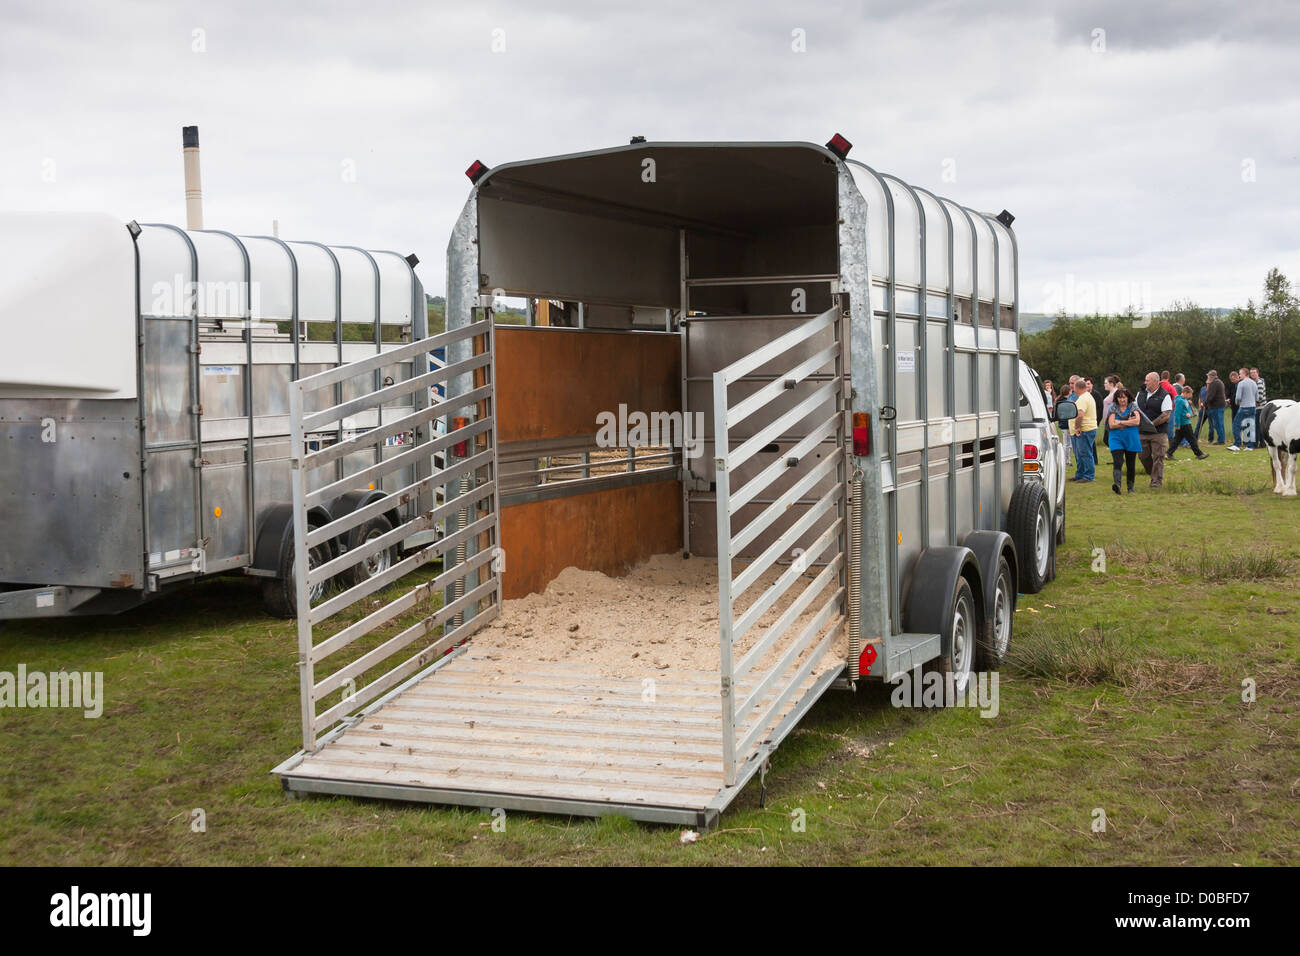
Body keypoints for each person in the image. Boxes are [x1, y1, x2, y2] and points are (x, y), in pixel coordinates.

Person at [1136, 371, 1173, 489]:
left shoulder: (1165, 395)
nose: (1145, 382)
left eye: (1148, 380)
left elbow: (1166, 414)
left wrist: (1152, 424)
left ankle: (1156, 482)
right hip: (1142, 432)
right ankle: (1153, 473)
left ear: (1156, 381)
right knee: (1142, 456)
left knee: (1158, 456)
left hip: (1159, 432)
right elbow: (1135, 409)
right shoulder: (1140, 394)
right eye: (1145, 380)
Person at [1107, 388, 1142, 494]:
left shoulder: (1133, 406)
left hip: (1131, 438)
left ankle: (1130, 488)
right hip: (1116, 439)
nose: (1122, 400)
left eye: (1124, 397)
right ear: (1116, 398)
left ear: (1128, 397)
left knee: (1131, 464)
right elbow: (1111, 425)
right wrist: (1127, 422)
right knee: (1117, 461)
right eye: (1120, 397)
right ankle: (1117, 485)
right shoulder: (1113, 407)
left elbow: (1137, 421)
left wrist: (1120, 422)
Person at [1167, 386, 1210, 461]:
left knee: (1177, 440)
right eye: (1190, 394)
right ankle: (1199, 454)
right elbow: (1177, 413)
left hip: (1186, 422)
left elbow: (1188, 410)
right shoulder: (1180, 401)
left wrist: (1189, 414)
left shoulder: (1185, 400)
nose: (1191, 396)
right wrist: (1177, 425)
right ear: (1185, 393)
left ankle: (1168, 454)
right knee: (1192, 439)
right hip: (1184, 423)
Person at [1070, 376, 1098, 482]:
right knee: (1080, 453)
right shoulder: (1087, 396)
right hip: (1088, 428)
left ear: (1076, 388)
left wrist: (1077, 427)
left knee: (1085, 453)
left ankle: (1088, 476)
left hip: (1086, 429)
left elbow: (1080, 415)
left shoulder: (1082, 399)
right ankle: (1080, 474)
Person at [1231, 367, 1258, 450]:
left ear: (1244, 374)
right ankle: (1250, 446)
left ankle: (1237, 444)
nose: (1239, 376)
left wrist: (1237, 403)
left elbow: (1238, 397)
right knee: (1250, 426)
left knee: (1236, 425)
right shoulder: (1254, 383)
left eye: (1240, 374)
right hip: (1253, 407)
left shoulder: (1241, 383)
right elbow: (1257, 397)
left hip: (1244, 407)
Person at [1204, 370, 1226, 444]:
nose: (1208, 377)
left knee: (1217, 424)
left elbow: (1210, 396)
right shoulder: (1220, 382)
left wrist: (1205, 403)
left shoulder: (1214, 383)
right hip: (1221, 405)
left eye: (1208, 376)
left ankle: (1221, 440)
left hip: (1216, 406)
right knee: (1221, 423)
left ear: (1211, 377)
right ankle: (1222, 439)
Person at [1056, 384, 1074, 466]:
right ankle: (1066, 460)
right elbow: (1068, 415)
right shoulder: (1066, 402)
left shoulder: (1060, 400)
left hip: (1063, 424)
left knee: (1067, 444)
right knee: (1067, 444)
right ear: (1068, 391)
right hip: (1066, 425)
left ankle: (1066, 459)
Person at [1251, 368, 1267, 449]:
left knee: (1256, 427)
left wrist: (1251, 402)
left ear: (1258, 373)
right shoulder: (1254, 382)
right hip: (1258, 407)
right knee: (1259, 427)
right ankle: (1262, 444)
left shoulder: (1259, 383)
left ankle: (1255, 444)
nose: (1252, 374)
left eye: (1254, 373)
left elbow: (1259, 397)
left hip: (1260, 407)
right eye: (1251, 373)